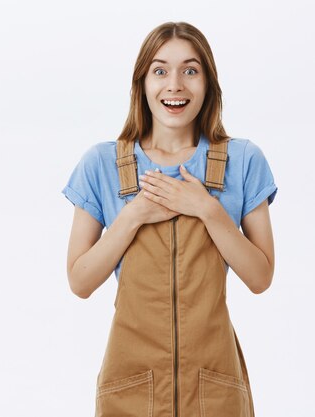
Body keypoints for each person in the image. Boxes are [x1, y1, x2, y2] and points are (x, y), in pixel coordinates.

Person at [61, 22, 277, 416]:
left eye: (190, 70)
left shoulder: (243, 161)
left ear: (208, 82)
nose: (174, 84)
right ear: (141, 83)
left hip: (215, 388)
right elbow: (80, 280)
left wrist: (208, 208)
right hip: (130, 389)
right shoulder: (102, 165)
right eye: (160, 70)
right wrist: (133, 216)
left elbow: (261, 277)